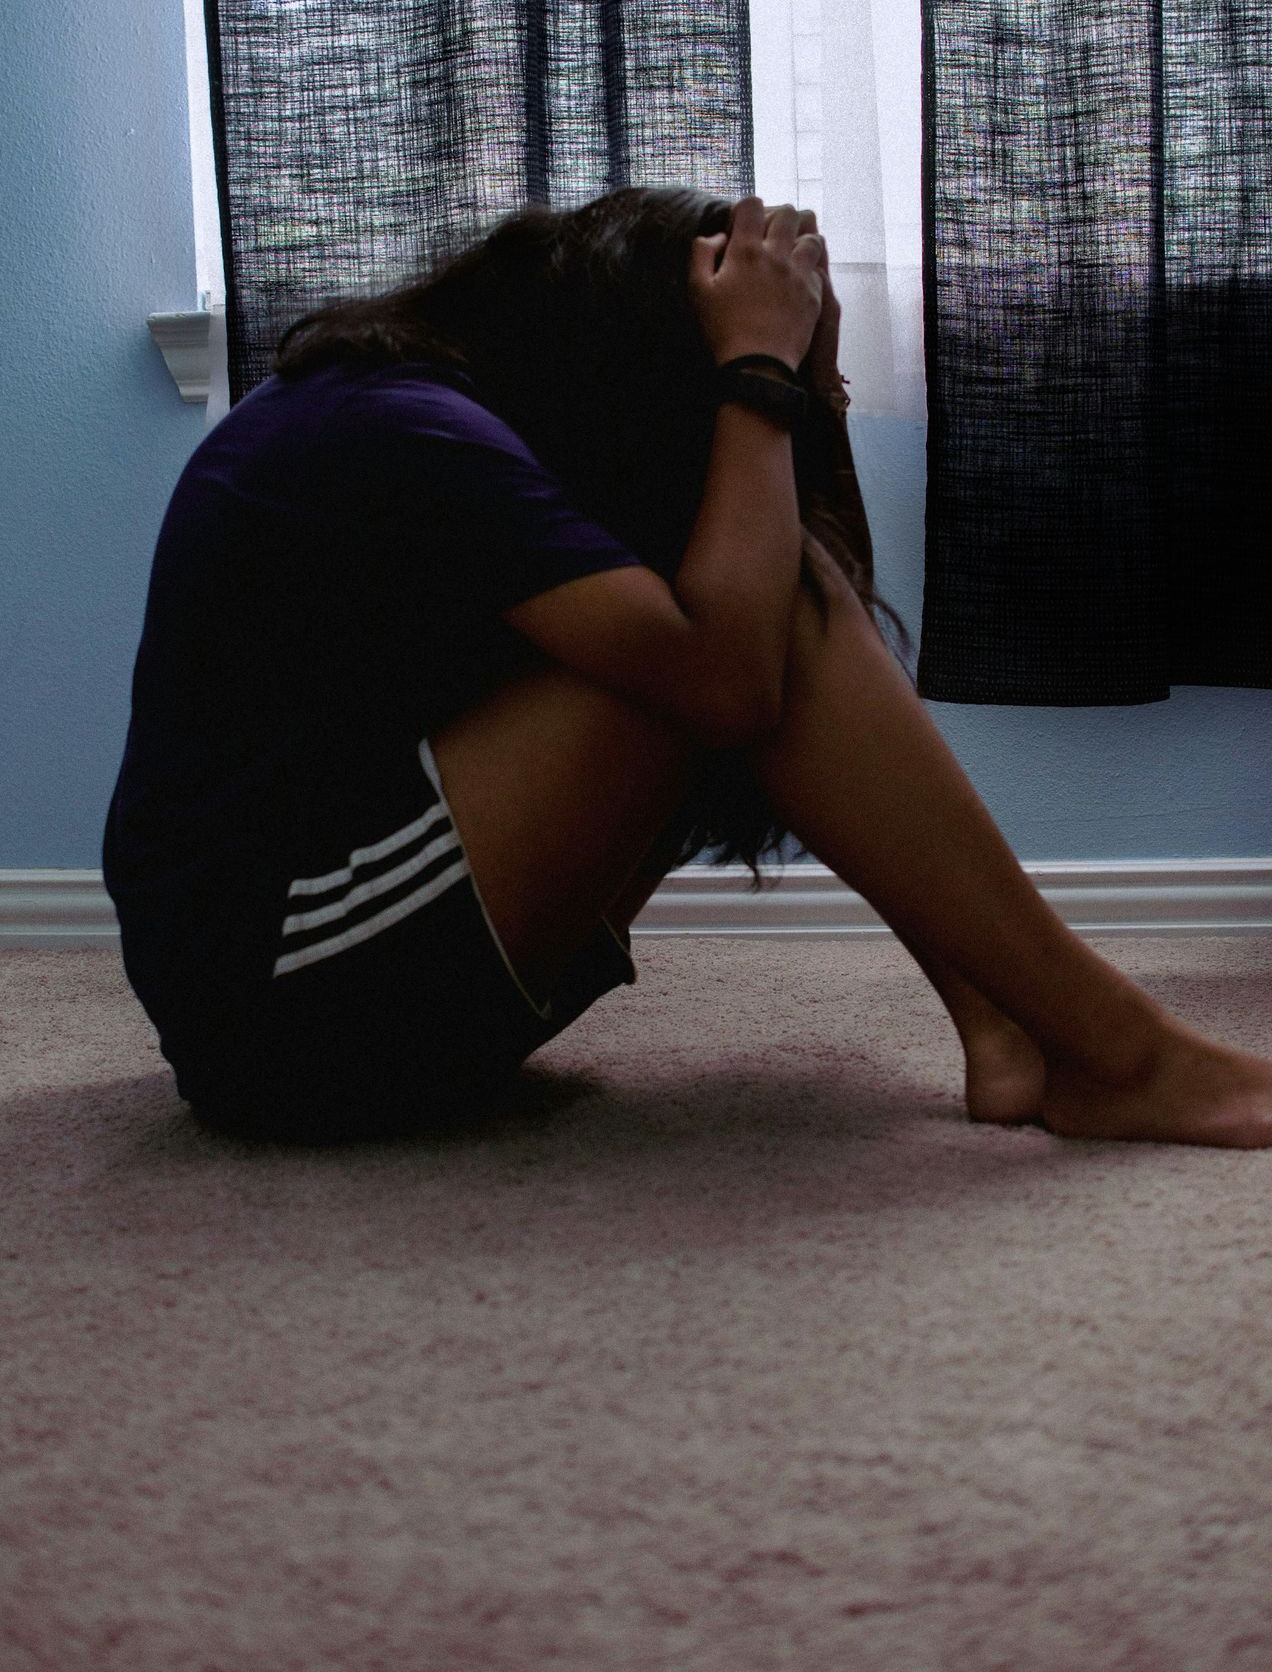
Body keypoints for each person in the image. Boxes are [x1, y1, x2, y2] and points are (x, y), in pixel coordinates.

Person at [103, 188, 1272, 1147]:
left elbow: (808, 586)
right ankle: (1120, 1055)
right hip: (283, 1007)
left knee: (754, 596)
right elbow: (738, 675)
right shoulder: (395, 425)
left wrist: (802, 390)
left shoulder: (467, 422)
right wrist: (753, 377)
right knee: (738, 635)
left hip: (368, 982)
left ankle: (1012, 1033)